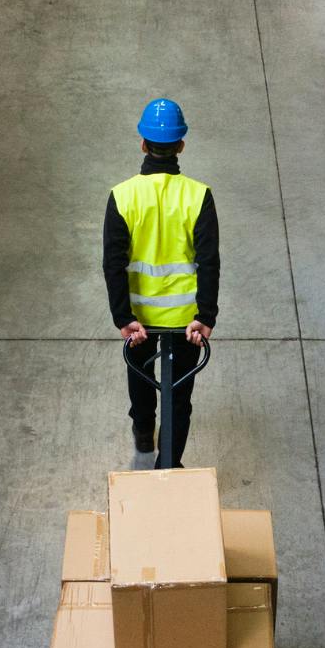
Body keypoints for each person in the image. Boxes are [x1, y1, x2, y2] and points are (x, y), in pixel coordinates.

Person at [103, 97, 220, 467]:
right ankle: (168, 464)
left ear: (142, 143)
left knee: (140, 378)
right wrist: (206, 316)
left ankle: (142, 432)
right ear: (181, 145)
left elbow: (113, 264)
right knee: (179, 396)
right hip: (186, 322)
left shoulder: (122, 197)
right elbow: (209, 262)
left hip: (140, 319)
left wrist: (124, 318)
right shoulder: (198, 196)